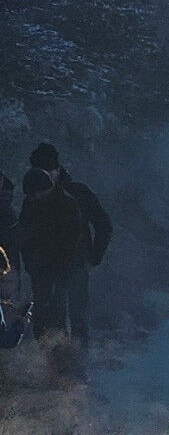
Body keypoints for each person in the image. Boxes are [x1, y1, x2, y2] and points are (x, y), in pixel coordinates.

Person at [21, 143, 110, 349]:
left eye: (49, 170)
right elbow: (26, 236)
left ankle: (78, 365)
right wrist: (32, 266)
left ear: (58, 169)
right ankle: (56, 366)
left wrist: (93, 258)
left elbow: (104, 225)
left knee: (77, 317)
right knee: (49, 318)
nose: (47, 175)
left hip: (76, 264)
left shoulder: (77, 193)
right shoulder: (33, 197)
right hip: (44, 269)